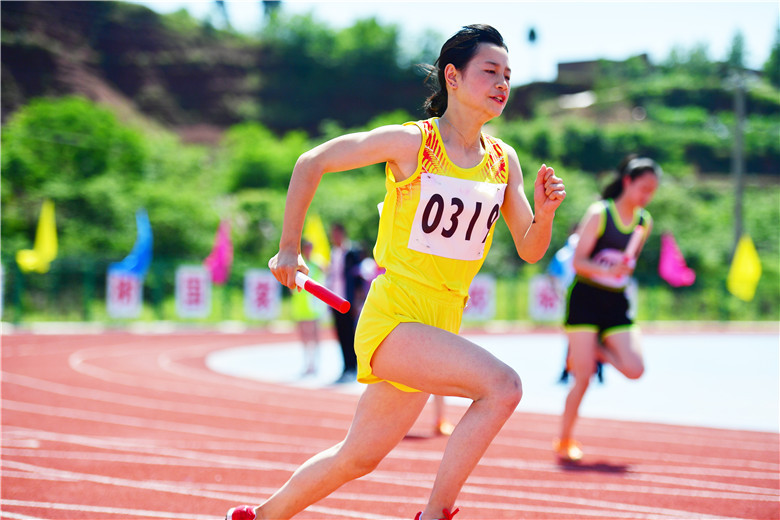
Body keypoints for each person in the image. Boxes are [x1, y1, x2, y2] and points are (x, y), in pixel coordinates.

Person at [227, 24, 566, 520]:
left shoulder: (503, 160)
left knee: (357, 457)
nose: (502, 84)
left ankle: (261, 517)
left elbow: (532, 250)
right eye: (490, 71)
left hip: (442, 322)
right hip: (396, 317)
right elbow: (311, 161)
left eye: (508, 76)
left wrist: (546, 212)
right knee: (503, 387)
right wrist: (287, 248)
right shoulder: (414, 143)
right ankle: (435, 514)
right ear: (452, 77)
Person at [555, 154, 660, 463]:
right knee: (584, 377)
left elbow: (628, 264)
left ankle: (597, 347)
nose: (647, 196)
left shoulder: (644, 221)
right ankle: (564, 440)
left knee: (635, 369)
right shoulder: (600, 213)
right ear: (627, 181)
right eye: (643, 188)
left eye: (652, 190)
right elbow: (579, 262)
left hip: (616, 302)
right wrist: (605, 271)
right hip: (586, 298)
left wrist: (622, 270)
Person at [326, 222, 363, 383]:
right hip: (334, 299)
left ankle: (353, 367)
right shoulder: (332, 252)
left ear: (342, 233)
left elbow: (358, 278)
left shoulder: (352, 252)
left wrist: (357, 300)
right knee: (340, 334)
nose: (333, 237)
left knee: (351, 334)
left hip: (348, 300)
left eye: (336, 233)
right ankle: (345, 366)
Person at [289, 239, 324, 376]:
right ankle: (307, 362)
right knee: (303, 335)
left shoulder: (317, 264)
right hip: (300, 304)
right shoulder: (298, 265)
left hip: (313, 305)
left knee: (314, 334)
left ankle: (315, 363)